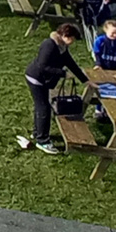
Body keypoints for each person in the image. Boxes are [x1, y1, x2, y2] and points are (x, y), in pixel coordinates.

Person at [20, 23, 88, 155]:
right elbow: (42, 67)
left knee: (41, 107)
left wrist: (85, 80)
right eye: (72, 39)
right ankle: (43, 141)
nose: (72, 42)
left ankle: (37, 133)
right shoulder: (49, 45)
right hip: (36, 79)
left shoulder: (62, 46)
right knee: (44, 108)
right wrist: (63, 74)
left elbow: (69, 62)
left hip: (42, 81)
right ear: (64, 35)